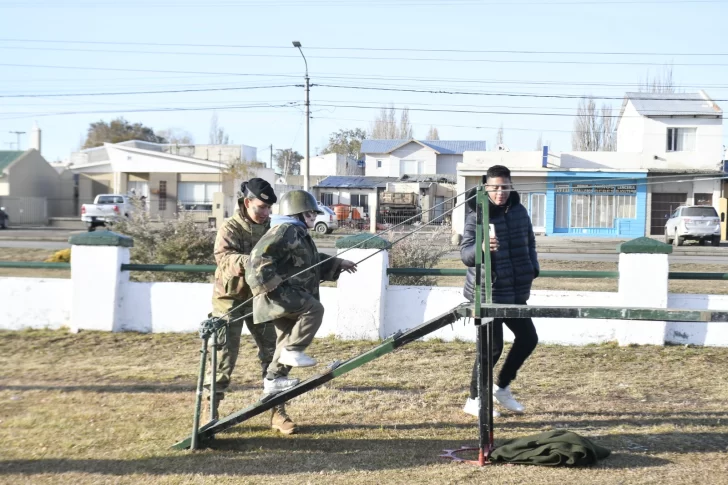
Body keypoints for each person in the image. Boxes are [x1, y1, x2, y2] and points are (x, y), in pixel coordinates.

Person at [209, 178, 298, 435]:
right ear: (247, 203)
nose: (266, 213)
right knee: (222, 357)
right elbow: (224, 259)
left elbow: (291, 255)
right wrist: (254, 261)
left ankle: (278, 412)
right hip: (230, 299)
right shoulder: (230, 227)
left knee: (274, 356)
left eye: (269, 209)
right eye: (261, 207)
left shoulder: (272, 228)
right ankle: (210, 412)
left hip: (261, 299)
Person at [246, 190, 357, 392]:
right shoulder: (285, 230)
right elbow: (257, 257)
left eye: (314, 213)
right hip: (280, 295)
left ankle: (274, 380)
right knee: (314, 310)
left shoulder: (298, 233)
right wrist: (269, 285)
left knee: (287, 339)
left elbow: (309, 261)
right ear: (294, 214)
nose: (313, 217)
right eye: (307, 214)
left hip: (287, 296)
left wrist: (337, 262)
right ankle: (293, 350)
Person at [460, 165, 540, 418]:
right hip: (487, 293)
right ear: (486, 188)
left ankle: (501, 388)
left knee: (528, 339)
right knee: (491, 348)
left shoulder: (519, 211)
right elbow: (466, 256)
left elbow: (530, 243)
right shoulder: (476, 214)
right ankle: (474, 399)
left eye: (505, 187)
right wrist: (482, 247)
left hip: (516, 291)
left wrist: (533, 269)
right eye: (495, 187)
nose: (500, 192)